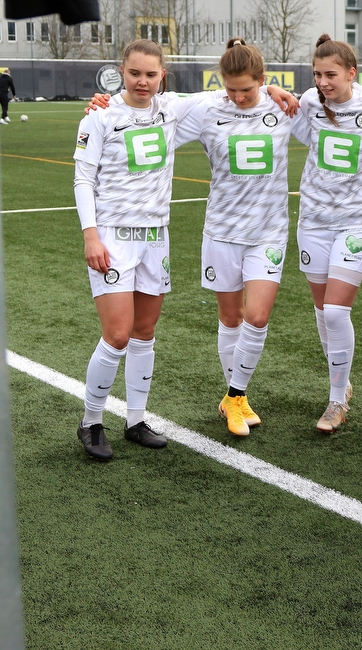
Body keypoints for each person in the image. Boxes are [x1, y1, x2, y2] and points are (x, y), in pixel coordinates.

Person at [171, 39, 295, 437]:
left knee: (256, 317)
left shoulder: (282, 107)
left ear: (263, 79)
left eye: (248, 88)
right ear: (221, 83)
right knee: (231, 318)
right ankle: (236, 402)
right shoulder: (208, 110)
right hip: (222, 232)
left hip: (269, 231)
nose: (240, 97)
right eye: (231, 89)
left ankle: (235, 395)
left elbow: (338, 100)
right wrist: (108, 104)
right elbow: (158, 114)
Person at [72, 40, 182, 459]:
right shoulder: (100, 114)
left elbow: (230, 93)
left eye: (150, 75)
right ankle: (91, 422)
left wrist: (276, 92)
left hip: (156, 237)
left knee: (144, 333)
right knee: (117, 334)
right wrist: (90, 234)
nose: (142, 81)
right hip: (113, 237)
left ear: (162, 76)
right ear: (122, 70)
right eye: (135, 73)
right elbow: (83, 179)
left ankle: (135, 419)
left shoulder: (171, 108)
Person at [291, 35, 362, 433]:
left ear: (353, 73)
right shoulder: (311, 101)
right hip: (312, 221)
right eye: (317, 74)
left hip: (356, 222)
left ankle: (335, 403)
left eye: (331, 74)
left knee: (336, 310)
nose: (323, 82)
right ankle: (341, 385)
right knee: (322, 312)